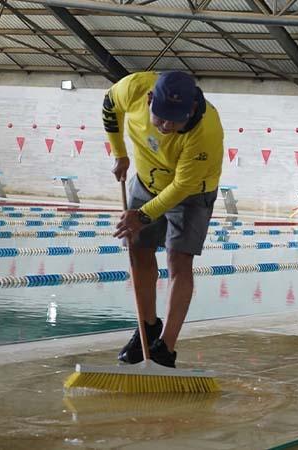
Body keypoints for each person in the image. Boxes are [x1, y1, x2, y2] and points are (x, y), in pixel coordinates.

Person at [104, 71, 224, 368]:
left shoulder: (206, 130)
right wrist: (120, 153)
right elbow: (109, 105)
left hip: (192, 193)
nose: (167, 126)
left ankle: (165, 348)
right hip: (146, 181)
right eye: (161, 118)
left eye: (176, 120)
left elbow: (181, 187)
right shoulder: (133, 88)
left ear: (192, 110)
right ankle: (147, 327)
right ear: (148, 100)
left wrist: (142, 216)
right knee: (137, 250)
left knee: (178, 261)